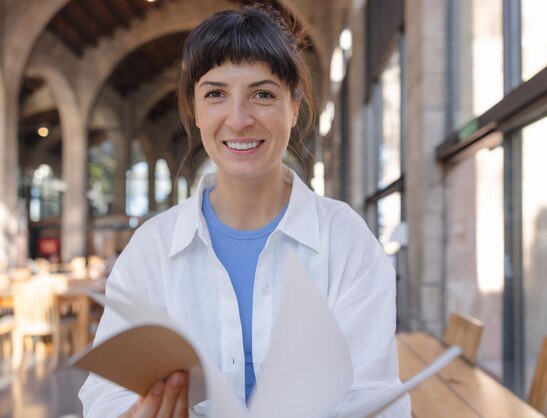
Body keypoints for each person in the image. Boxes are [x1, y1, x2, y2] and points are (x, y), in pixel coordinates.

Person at [79, 4, 411, 418]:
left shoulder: (345, 240)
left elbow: (375, 399)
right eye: (216, 94)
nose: (238, 120)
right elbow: (106, 394)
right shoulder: (152, 248)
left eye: (263, 94)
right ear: (195, 110)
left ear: (294, 107)